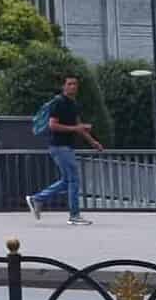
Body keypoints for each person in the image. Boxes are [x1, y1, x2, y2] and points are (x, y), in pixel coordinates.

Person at [27, 74, 103, 225]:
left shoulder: (73, 104)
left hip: (66, 147)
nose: (72, 86)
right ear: (63, 86)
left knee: (67, 180)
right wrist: (76, 128)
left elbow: (79, 127)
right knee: (73, 179)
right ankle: (74, 215)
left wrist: (93, 142)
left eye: (75, 84)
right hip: (59, 146)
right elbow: (53, 125)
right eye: (69, 84)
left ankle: (37, 198)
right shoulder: (59, 102)